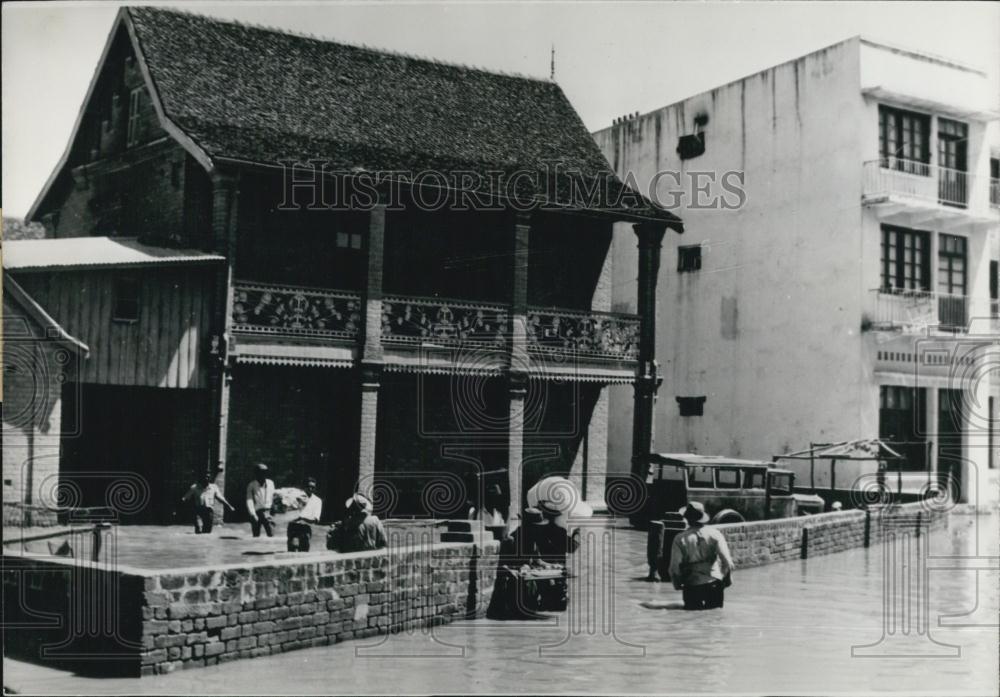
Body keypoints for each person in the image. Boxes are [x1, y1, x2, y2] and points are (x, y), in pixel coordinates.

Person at [668, 501, 735, 610]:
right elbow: (728, 563)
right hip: (714, 584)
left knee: (692, 620)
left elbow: (674, 568)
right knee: (715, 618)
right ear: (703, 517)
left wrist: (678, 584)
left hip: (692, 585)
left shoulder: (680, 538)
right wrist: (725, 580)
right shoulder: (715, 534)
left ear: (687, 518)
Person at [536, 500, 581, 566]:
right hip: (556, 568)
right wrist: (576, 532)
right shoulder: (559, 531)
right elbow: (572, 548)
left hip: (538, 568)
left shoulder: (534, 528)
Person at [287, 477, 323, 552]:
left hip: (306, 528)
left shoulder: (317, 501)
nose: (310, 489)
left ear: (315, 488)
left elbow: (315, 520)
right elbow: (289, 512)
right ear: (304, 487)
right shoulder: (297, 497)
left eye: (313, 487)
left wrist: (302, 518)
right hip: (294, 527)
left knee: (304, 552)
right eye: (308, 486)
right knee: (293, 549)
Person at [246, 463, 276, 538]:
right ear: (256, 473)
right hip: (257, 512)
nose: (263, 475)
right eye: (260, 472)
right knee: (256, 535)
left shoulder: (271, 483)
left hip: (267, 511)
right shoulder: (251, 485)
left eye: (264, 472)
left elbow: (273, 496)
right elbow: (249, 500)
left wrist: (273, 509)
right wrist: (253, 514)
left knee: (271, 533)